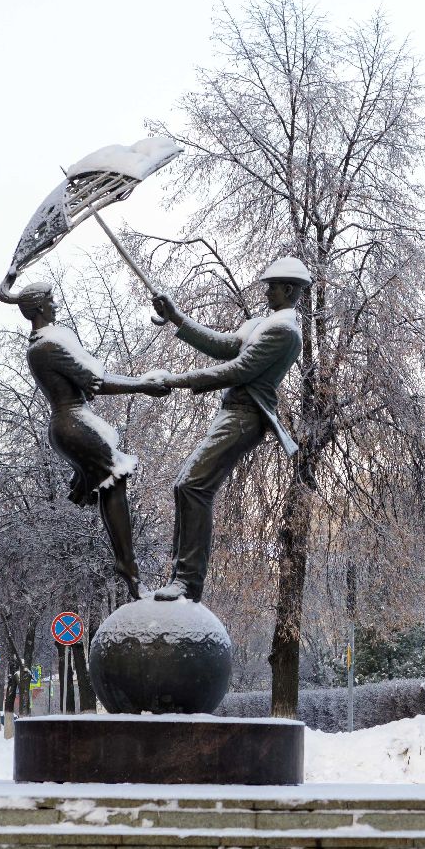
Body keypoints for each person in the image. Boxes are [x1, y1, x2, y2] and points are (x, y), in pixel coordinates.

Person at [145, 257, 312, 602]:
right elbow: (221, 345)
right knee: (185, 486)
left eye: (273, 286)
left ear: (290, 290)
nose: (266, 291)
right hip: (230, 415)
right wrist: (175, 317)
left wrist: (175, 380)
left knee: (193, 486)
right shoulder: (260, 324)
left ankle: (188, 583)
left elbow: (238, 370)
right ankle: (179, 577)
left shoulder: (285, 331)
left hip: (246, 417)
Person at [0, 273, 170, 600]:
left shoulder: (41, 344)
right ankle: (128, 569)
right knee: (113, 481)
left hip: (68, 424)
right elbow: (98, 382)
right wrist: (144, 385)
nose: (55, 304)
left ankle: (128, 568)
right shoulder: (48, 345)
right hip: (72, 422)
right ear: (37, 308)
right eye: (50, 300)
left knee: (110, 485)